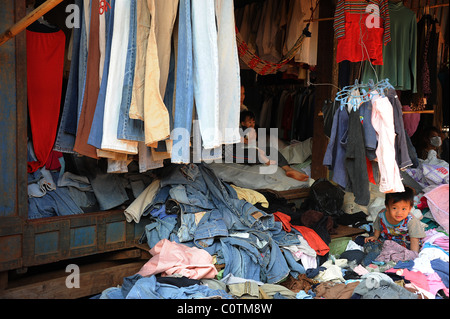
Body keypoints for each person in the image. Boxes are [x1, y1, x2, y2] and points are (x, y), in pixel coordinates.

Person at [238, 110, 309, 182]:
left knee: (272, 150)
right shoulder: (240, 132)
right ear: (243, 123)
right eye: (249, 122)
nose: (252, 124)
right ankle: (267, 160)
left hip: (254, 151)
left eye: (253, 122)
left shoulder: (252, 131)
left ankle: (288, 169)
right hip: (245, 153)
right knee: (257, 152)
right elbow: (243, 141)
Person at [365, 186, 425, 253]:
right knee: (369, 243)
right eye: (394, 208)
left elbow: (414, 240)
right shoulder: (382, 214)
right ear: (387, 206)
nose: (399, 213)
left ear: (410, 208)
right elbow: (377, 226)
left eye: (403, 209)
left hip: (405, 242)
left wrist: (413, 255)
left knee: (405, 251)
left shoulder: (411, 221)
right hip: (387, 240)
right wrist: (375, 236)